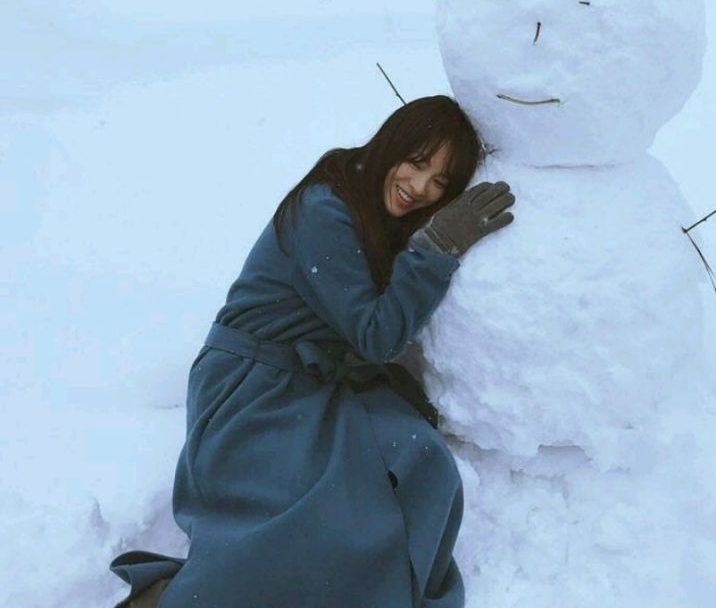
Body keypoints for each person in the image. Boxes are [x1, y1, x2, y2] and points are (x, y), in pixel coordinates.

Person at [110, 95, 515, 608]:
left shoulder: (377, 206)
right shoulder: (325, 208)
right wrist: (435, 248)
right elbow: (377, 334)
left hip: (313, 384)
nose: (420, 189)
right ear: (390, 145)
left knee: (419, 458)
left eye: (440, 184)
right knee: (316, 518)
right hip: (250, 387)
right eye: (417, 165)